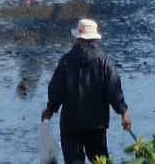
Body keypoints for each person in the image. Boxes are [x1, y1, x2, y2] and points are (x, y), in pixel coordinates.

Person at [42, 19, 131, 164]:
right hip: (96, 124)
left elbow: (56, 89)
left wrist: (50, 109)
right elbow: (114, 90)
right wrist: (123, 112)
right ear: (96, 39)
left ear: (78, 38)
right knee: (100, 160)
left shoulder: (66, 60)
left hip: (70, 124)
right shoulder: (105, 62)